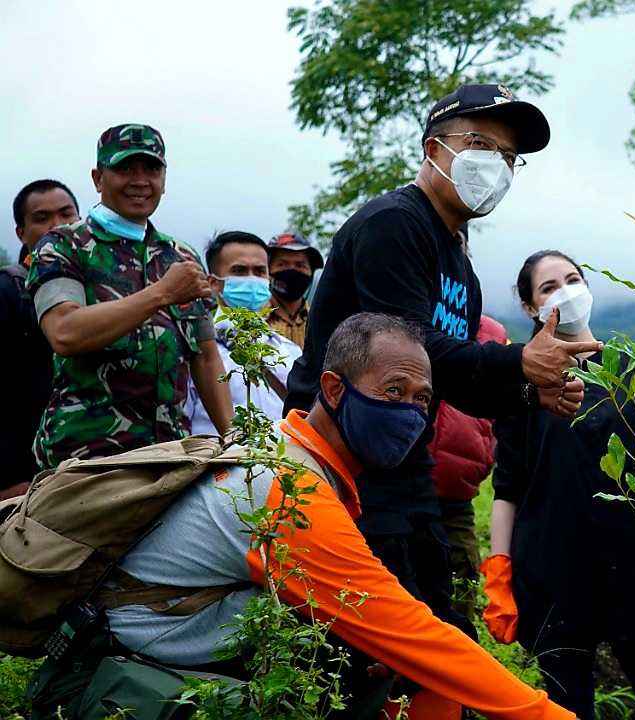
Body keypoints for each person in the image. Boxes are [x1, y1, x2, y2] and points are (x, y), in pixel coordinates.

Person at [25, 313, 575, 720]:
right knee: (424, 668)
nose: (410, 412)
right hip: (117, 691)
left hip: (163, 670)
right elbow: (415, 634)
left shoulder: (291, 455)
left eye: (422, 399)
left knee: (407, 680)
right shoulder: (290, 490)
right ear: (333, 389)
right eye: (392, 391)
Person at [285, 84, 599, 642]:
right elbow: (404, 354)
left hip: (403, 460)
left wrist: (531, 392)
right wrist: (520, 363)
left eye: (508, 157)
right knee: (371, 640)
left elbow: (452, 382)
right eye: (480, 143)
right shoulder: (395, 225)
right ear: (434, 150)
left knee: (438, 617)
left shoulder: (461, 265)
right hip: (339, 459)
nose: (496, 165)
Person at [482, 250, 635, 719]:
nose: (566, 292)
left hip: (625, 564)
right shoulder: (523, 381)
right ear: (530, 308)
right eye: (549, 287)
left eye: (573, 279)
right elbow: (508, 486)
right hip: (550, 567)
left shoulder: (632, 369)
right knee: (569, 709)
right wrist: (499, 567)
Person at [26, 124, 232, 468]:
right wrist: (161, 293)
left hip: (170, 460)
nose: (140, 181)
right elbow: (65, 332)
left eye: (151, 169)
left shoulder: (181, 256)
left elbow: (207, 357)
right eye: (124, 169)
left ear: (164, 180)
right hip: (86, 462)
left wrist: (234, 439)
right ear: (97, 178)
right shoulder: (64, 245)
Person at [1, 180, 80, 498]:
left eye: (66, 214)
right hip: (31, 474)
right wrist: (9, 479)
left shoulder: (98, 287)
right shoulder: (9, 291)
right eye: (41, 218)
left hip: (90, 464)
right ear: (21, 233)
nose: (56, 226)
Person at [430, 313, 508, 620]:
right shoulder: (421, 316)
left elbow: (509, 391)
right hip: (405, 484)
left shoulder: (495, 333)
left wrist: (493, 439)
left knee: (461, 580)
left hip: (458, 497)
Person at [185, 231, 302, 435]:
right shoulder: (196, 350)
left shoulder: (289, 352)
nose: (251, 279)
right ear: (213, 282)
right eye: (239, 271)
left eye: (259, 271)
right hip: (217, 463)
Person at [263, 229, 324, 348]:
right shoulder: (254, 319)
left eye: (300, 265)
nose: (292, 270)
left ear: (311, 272)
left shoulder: (321, 321)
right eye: (282, 264)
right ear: (268, 271)